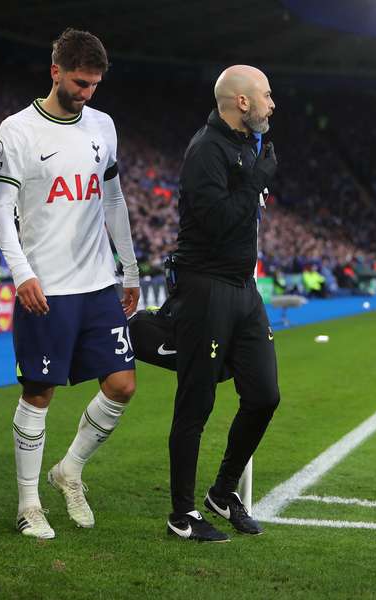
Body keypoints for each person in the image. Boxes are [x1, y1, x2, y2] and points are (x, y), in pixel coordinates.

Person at [0, 28, 139, 540]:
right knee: (40, 392)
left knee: (122, 384)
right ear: (55, 71)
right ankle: (28, 504)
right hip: (46, 286)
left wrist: (131, 268)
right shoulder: (17, 130)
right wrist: (22, 272)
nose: (87, 93)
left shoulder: (103, 125)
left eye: (95, 84)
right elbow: (0, 208)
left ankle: (69, 469)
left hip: (98, 281)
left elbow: (113, 200)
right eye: (80, 82)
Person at [167, 65, 280, 543]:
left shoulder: (244, 147)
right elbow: (218, 223)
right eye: (267, 96)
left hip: (242, 287)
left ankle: (222, 491)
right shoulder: (206, 151)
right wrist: (255, 179)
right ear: (242, 102)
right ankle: (182, 515)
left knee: (264, 395)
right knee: (197, 402)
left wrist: (253, 173)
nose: (273, 104)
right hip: (204, 286)